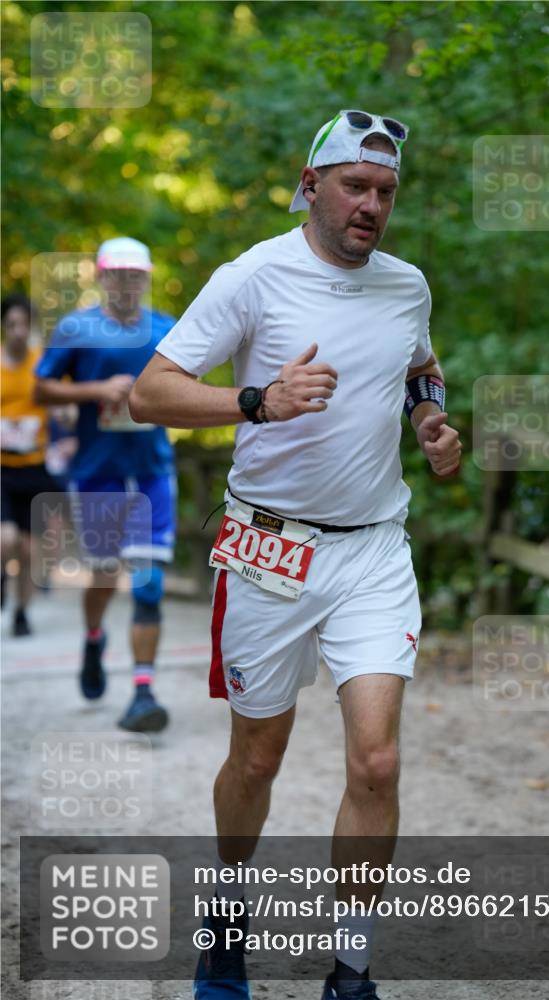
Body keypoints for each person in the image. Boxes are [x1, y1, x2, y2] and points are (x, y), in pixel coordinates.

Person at [130, 110, 461, 999]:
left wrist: (429, 418)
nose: (372, 206)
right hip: (270, 552)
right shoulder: (254, 276)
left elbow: (419, 369)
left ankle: (350, 969)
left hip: (372, 553)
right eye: (355, 186)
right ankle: (226, 923)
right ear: (310, 186)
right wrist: (257, 401)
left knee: (377, 760)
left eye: (386, 192)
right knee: (257, 757)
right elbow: (149, 392)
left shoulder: (406, 286)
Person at [33, 237, 177, 733]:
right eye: (117, 273)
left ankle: (142, 691)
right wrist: (97, 390)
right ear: (101, 276)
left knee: (150, 582)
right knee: (106, 573)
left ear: (147, 277)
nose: (127, 282)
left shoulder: (167, 329)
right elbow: (40, 388)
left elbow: (187, 385)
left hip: (153, 469)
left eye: (136, 274)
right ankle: (94, 637)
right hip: (98, 473)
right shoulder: (77, 327)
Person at [1, 294, 62, 635]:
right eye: (12, 325)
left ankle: (22, 612)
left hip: (35, 467)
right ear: (3, 328)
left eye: (24, 325)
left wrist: (66, 416)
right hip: (2, 469)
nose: (19, 332)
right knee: (5, 539)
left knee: (28, 550)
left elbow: (61, 404)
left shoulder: (42, 365)